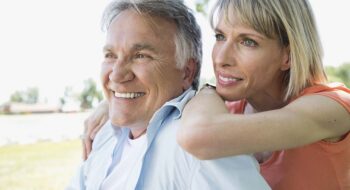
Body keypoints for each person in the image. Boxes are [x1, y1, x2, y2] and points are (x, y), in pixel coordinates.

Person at [83, 0, 350, 189]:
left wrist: (208, 89)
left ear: (288, 55)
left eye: (248, 42)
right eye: (220, 36)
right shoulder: (230, 112)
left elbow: (197, 136)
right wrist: (115, 102)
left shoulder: (333, 107)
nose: (221, 57)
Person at [68, 0, 270, 189]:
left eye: (141, 56)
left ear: (187, 72)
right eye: (110, 55)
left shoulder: (202, 148)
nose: (117, 74)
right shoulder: (105, 135)